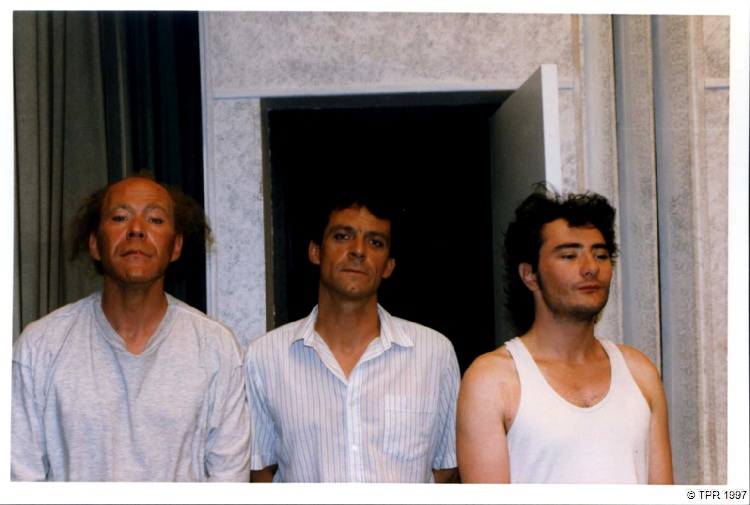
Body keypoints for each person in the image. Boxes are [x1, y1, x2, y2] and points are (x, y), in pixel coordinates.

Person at [11, 174, 251, 482]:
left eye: (155, 219)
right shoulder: (40, 345)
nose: (136, 229)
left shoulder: (216, 347)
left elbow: (228, 478)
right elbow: (20, 476)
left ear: (176, 246)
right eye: (120, 217)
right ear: (95, 244)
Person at [456, 185, 673, 484]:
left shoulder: (640, 372)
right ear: (530, 275)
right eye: (570, 256)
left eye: (601, 255)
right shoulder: (492, 379)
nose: (591, 268)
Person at [245, 190, 460, 483]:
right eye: (342, 236)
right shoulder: (265, 357)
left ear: (388, 265)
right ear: (315, 251)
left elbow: (447, 464)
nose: (358, 251)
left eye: (375, 242)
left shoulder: (434, 354)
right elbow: (260, 469)